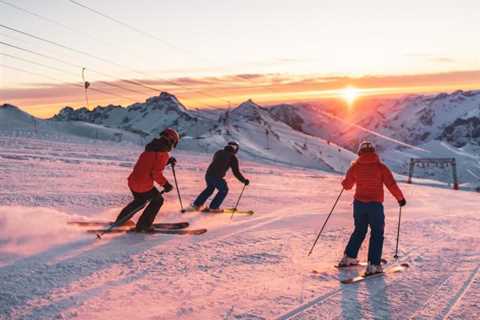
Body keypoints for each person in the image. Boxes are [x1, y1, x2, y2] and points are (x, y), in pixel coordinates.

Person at [339, 141, 406, 275]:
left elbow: (347, 186)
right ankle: (373, 265)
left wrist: (345, 182)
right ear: (373, 151)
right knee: (377, 233)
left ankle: (349, 258)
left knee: (359, 230)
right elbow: (391, 185)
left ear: (360, 152)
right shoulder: (380, 167)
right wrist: (400, 199)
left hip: (359, 205)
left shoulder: (355, 167)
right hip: (374, 205)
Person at [114, 128, 180, 232]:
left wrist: (167, 161)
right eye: (174, 143)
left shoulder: (151, 148)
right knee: (157, 201)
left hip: (133, 181)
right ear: (171, 141)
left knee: (139, 202)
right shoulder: (162, 153)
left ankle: (120, 221)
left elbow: (150, 163)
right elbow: (156, 173)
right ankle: (143, 226)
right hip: (143, 185)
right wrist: (166, 185)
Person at [189, 141, 250, 212]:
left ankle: (197, 205)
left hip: (208, 175)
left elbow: (217, 162)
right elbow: (236, 172)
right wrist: (244, 180)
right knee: (224, 190)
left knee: (209, 189)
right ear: (236, 149)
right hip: (216, 177)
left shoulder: (218, 152)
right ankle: (213, 207)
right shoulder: (232, 157)